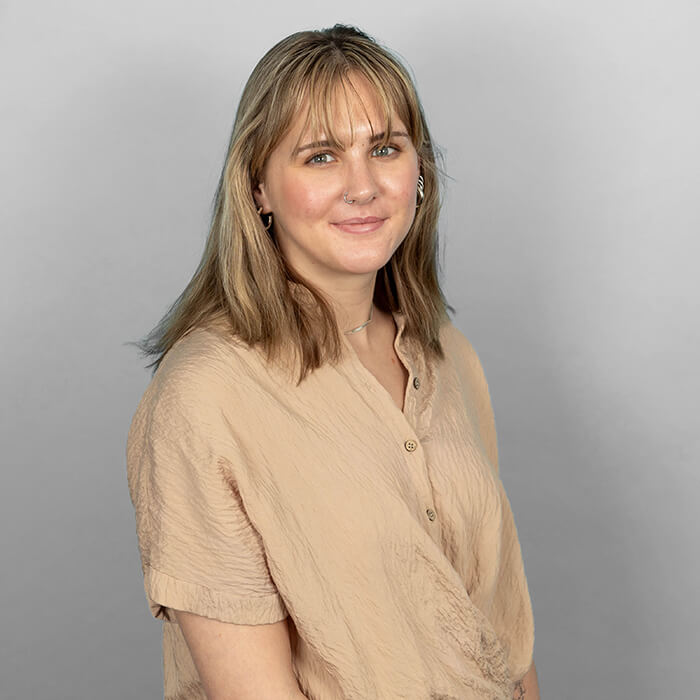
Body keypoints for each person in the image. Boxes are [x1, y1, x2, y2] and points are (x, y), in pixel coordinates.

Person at [126, 24, 539, 700]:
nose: (363, 186)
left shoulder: (449, 357)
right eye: (320, 156)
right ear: (257, 188)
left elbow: (503, 637)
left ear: (420, 171)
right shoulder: (204, 396)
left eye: (384, 147)